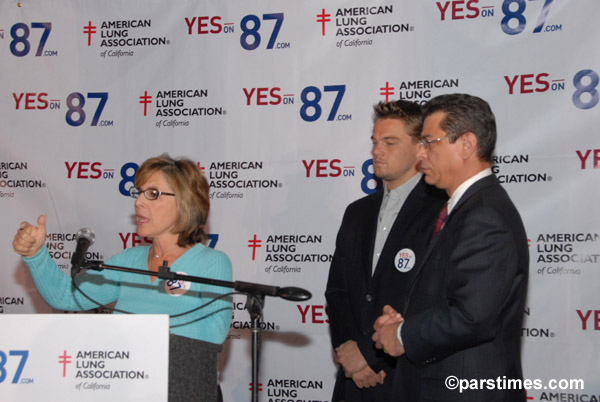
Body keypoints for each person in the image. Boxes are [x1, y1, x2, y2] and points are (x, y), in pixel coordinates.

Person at [12, 153, 232, 401]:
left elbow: (214, 332)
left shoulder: (212, 262)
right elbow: (67, 296)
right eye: (138, 193)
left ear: (185, 202)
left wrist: (136, 333)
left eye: (153, 194)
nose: (138, 202)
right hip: (128, 389)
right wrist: (36, 254)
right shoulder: (128, 261)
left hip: (186, 388)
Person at [372, 94, 529, 402]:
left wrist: (403, 335)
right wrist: (404, 321)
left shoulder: (484, 215)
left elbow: (473, 316)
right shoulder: (465, 208)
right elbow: (448, 295)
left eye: (429, 142)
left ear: (467, 144)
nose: (421, 153)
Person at [325, 100, 447, 401]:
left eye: (390, 142)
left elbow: (431, 299)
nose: (376, 151)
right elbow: (337, 292)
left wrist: (370, 355)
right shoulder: (357, 213)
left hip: (407, 378)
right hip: (353, 381)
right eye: (375, 141)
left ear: (420, 148)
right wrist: (349, 352)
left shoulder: (442, 211)